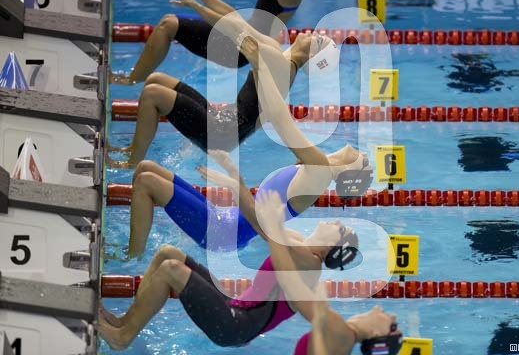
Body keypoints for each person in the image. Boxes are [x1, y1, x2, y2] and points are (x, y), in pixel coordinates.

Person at [108, 0, 341, 168]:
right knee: (156, 79)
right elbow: (236, 19)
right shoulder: (279, 56)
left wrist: (196, 5)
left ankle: (132, 162)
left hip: (220, 134)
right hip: (223, 122)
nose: (314, 34)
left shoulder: (280, 64)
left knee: (153, 95)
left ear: (312, 57)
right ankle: (131, 149)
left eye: (318, 40)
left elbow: (234, 27)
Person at [98, 189, 359, 350]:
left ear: (331, 246)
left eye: (341, 228)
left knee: (171, 269)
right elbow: (257, 220)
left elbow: (268, 228)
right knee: (168, 252)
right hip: (233, 306)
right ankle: (125, 322)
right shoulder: (300, 245)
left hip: (234, 325)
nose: (336, 220)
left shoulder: (308, 264)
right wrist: (234, 177)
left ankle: (122, 338)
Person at [112, 0, 346, 84]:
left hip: (238, 48)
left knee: (168, 24)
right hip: (240, 41)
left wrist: (198, 4)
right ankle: (132, 78)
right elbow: (237, 19)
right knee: (168, 23)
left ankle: (130, 81)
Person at [126, 145, 369, 255]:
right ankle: (132, 247)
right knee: (146, 167)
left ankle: (133, 257)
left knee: (147, 182)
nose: (365, 154)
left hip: (222, 232)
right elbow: (336, 158)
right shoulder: (319, 168)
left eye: (365, 162)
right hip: (224, 218)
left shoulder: (318, 177)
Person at [257, 190, 403, 355]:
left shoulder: (343, 334)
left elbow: (289, 283)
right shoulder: (344, 341)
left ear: (375, 334)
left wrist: (274, 229)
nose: (391, 316)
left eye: (393, 326)